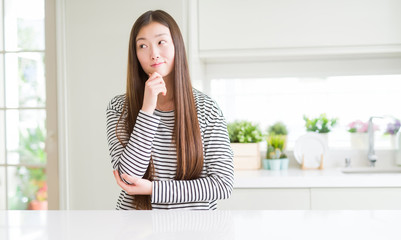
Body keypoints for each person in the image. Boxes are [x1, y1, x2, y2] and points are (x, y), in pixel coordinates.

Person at [106, 10, 234, 210]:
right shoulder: (119, 107)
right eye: (142, 45)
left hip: (196, 229)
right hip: (136, 227)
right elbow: (129, 176)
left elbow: (223, 184)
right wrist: (147, 108)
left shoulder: (207, 109)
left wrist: (153, 189)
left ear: (177, 45)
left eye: (161, 42)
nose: (153, 53)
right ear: (135, 55)